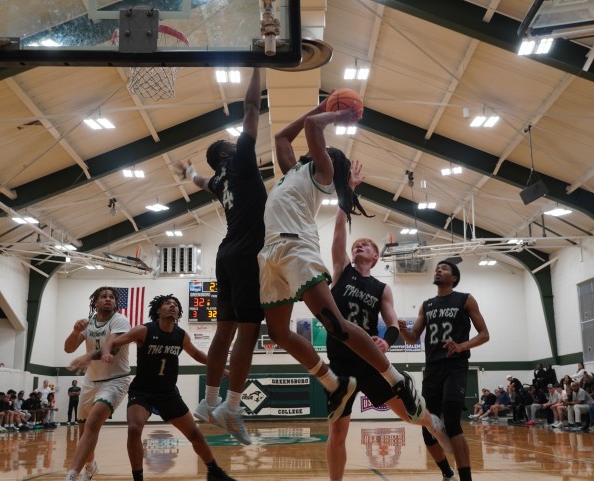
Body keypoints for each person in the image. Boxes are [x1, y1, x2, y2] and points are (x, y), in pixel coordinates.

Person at [257, 99, 425, 427]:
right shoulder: (292, 172)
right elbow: (281, 137)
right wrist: (323, 104)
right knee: (278, 333)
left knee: (336, 325)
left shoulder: (323, 172)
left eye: (321, 147)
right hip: (270, 252)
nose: (315, 147)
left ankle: (396, 379)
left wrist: (334, 110)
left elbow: (312, 126)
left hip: (296, 245)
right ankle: (334, 383)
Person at [327, 195, 453, 481]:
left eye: (366, 245)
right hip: (340, 363)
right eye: (356, 245)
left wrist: (387, 341)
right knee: (337, 430)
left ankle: (432, 422)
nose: (358, 246)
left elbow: (393, 324)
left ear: (376, 256)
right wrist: (345, 196)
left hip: (369, 360)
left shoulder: (381, 288)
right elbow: (337, 233)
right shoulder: (341, 270)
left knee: (408, 415)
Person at [187, 68, 266, 445]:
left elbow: (199, 181)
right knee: (249, 330)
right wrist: (258, 65)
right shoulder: (242, 161)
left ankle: (208, 402)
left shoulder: (218, 180)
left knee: (224, 330)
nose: (239, 142)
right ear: (226, 153)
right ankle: (231, 407)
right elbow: (251, 105)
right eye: (232, 143)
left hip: (226, 253)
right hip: (247, 252)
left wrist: (189, 171)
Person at [95, 294, 237, 481]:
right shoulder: (144, 330)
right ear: (158, 310)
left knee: (195, 433)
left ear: (178, 312)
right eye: (167, 304)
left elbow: (196, 354)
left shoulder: (180, 335)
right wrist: (106, 352)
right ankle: (138, 477)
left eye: (175, 305)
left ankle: (214, 472)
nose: (172, 306)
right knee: (134, 428)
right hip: (143, 391)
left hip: (168, 393)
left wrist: (221, 369)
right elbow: (112, 342)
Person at [399, 259, 490, 481]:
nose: (438, 270)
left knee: (451, 420)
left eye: (444, 268)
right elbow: (412, 338)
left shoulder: (465, 299)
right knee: (427, 427)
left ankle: (465, 477)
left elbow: (484, 334)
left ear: (454, 278)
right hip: (432, 369)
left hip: (455, 366)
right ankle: (447, 473)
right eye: (437, 268)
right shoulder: (426, 305)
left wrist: (461, 346)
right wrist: (403, 330)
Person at [64, 286, 132, 481]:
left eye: (111, 297)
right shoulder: (89, 323)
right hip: (90, 381)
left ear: (116, 302)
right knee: (84, 432)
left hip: (116, 380)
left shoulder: (119, 320)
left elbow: (113, 348)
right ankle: (90, 466)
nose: (108, 299)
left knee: (93, 423)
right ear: (95, 302)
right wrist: (75, 331)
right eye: (103, 296)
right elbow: (68, 348)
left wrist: (88, 356)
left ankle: (71, 475)